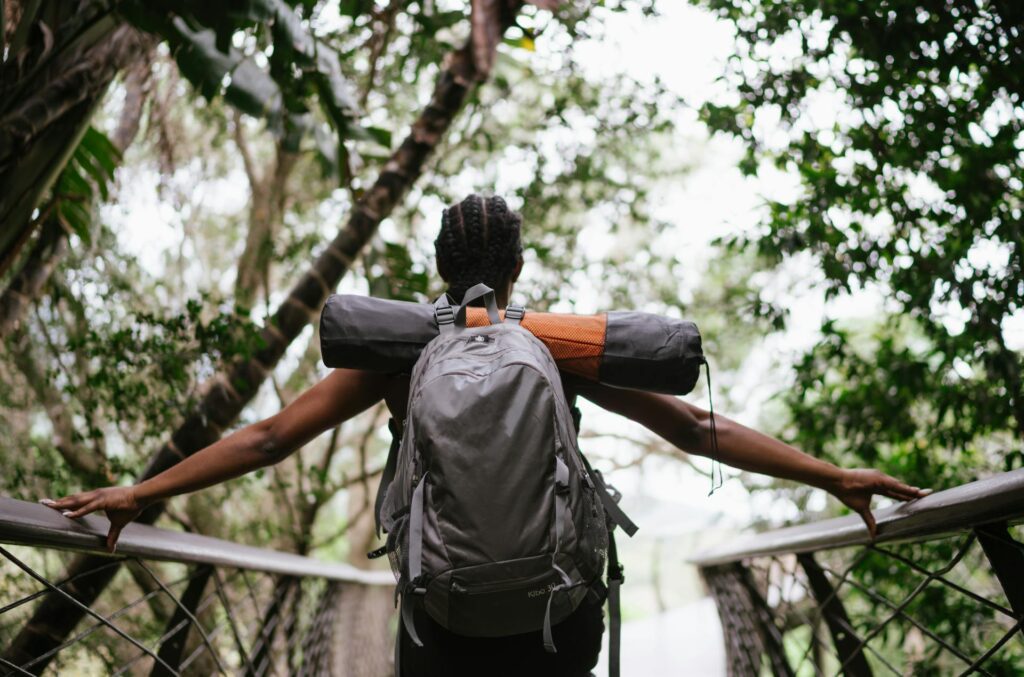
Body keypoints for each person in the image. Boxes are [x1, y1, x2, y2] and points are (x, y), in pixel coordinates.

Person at [41, 194, 929, 677]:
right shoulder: (559, 347)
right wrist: (831, 475)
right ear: (514, 269)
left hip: (443, 612)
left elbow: (270, 438)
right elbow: (699, 429)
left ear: (438, 269)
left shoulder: (402, 353)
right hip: (560, 609)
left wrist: (141, 492)